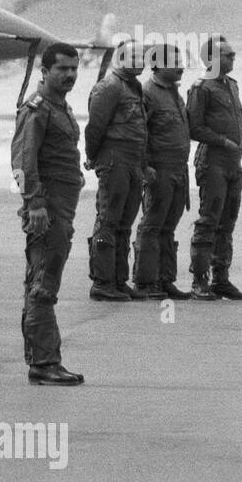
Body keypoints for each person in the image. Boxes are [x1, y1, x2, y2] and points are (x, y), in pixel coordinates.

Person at [11, 43, 85, 386]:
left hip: (60, 208)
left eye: (73, 68)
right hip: (48, 209)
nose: (69, 74)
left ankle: (41, 358)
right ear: (45, 72)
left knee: (40, 281)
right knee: (43, 285)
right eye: (62, 69)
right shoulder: (37, 109)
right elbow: (23, 163)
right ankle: (44, 362)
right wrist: (35, 203)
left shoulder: (60, 107)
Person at [84, 40, 153, 301]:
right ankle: (102, 282)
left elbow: (139, 130)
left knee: (124, 223)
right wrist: (94, 157)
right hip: (114, 160)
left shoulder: (133, 88)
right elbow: (95, 128)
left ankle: (118, 279)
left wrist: (144, 164)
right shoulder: (109, 87)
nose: (139, 60)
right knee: (109, 219)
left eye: (141, 56)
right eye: (132, 56)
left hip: (133, 162)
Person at [187, 35, 242, 300]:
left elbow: (239, 116)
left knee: (228, 222)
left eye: (232, 54)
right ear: (211, 59)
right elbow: (194, 127)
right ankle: (200, 280)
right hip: (213, 160)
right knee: (209, 221)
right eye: (227, 54)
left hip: (233, 162)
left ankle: (221, 278)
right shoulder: (202, 88)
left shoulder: (231, 86)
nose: (232, 57)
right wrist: (223, 141)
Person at [132, 44, 192, 299]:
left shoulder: (174, 93)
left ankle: (165, 279)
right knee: (152, 225)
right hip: (160, 170)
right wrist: (145, 166)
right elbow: (140, 132)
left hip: (179, 169)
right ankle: (145, 282)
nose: (180, 67)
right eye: (174, 62)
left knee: (169, 225)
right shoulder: (148, 93)